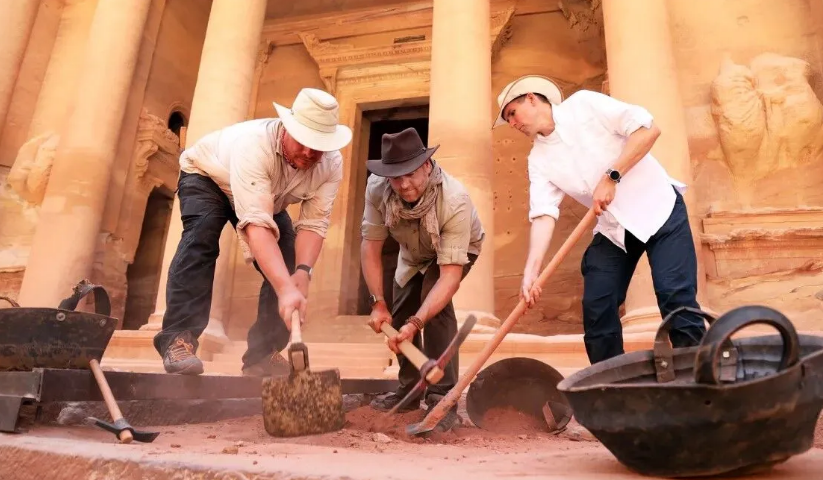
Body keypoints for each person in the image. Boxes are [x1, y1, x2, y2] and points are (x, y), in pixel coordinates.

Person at [493, 74, 706, 364]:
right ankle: (610, 391)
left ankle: (700, 380)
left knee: (674, 297)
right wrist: (532, 270)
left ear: (531, 98)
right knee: (598, 305)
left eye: (512, 114)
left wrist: (612, 176)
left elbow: (648, 130)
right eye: (508, 120)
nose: (513, 124)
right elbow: (543, 213)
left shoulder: (585, 105)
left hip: (660, 210)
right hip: (615, 230)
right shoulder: (538, 160)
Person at [153, 88, 352, 376]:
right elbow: (256, 224)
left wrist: (301, 272)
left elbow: (314, 223)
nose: (310, 153)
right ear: (287, 128)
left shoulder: (331, 164)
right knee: (201, 238)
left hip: (266, 196)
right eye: (304, 142)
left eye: (318, 145)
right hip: (209, 177)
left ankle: (262, 355)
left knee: (284, 262)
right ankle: (177, 339)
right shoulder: (254, 144)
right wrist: (285, 290)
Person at [360, 127, 484, 428]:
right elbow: (371, 247)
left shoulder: (454, 199)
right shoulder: (377, 189)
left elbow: (449, 276)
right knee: (399, 312)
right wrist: (378, 303)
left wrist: (417, 323)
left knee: (435, 314)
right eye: (396, 176)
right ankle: (409, 390)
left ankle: (443, 400)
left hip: (454, 252)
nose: (403, 185)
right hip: (411, 253)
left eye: (411, 174)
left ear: (427, 165)